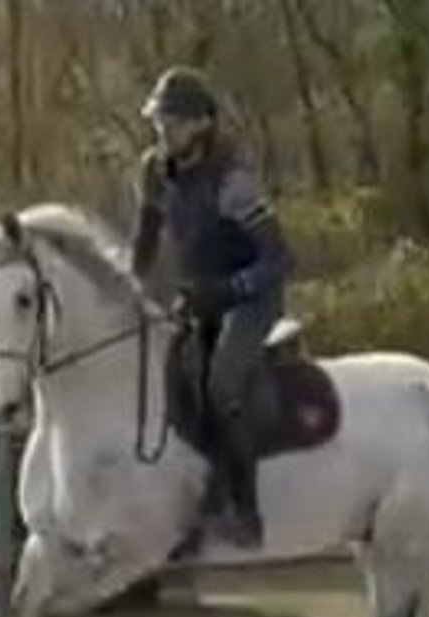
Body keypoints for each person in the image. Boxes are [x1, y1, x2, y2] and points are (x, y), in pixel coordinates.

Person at [130, 67, 293, 549]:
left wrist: (226, 291)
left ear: (202, 124)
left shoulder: (233, 181)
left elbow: (280, 259)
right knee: (168, 376)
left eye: (173, 121)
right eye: (159, 120)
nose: (163, 130)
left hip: (252, 297)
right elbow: (143, 245)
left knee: (222, 381)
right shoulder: (154, 171)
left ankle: (244, 509)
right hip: (199, 297)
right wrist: (128, 294)